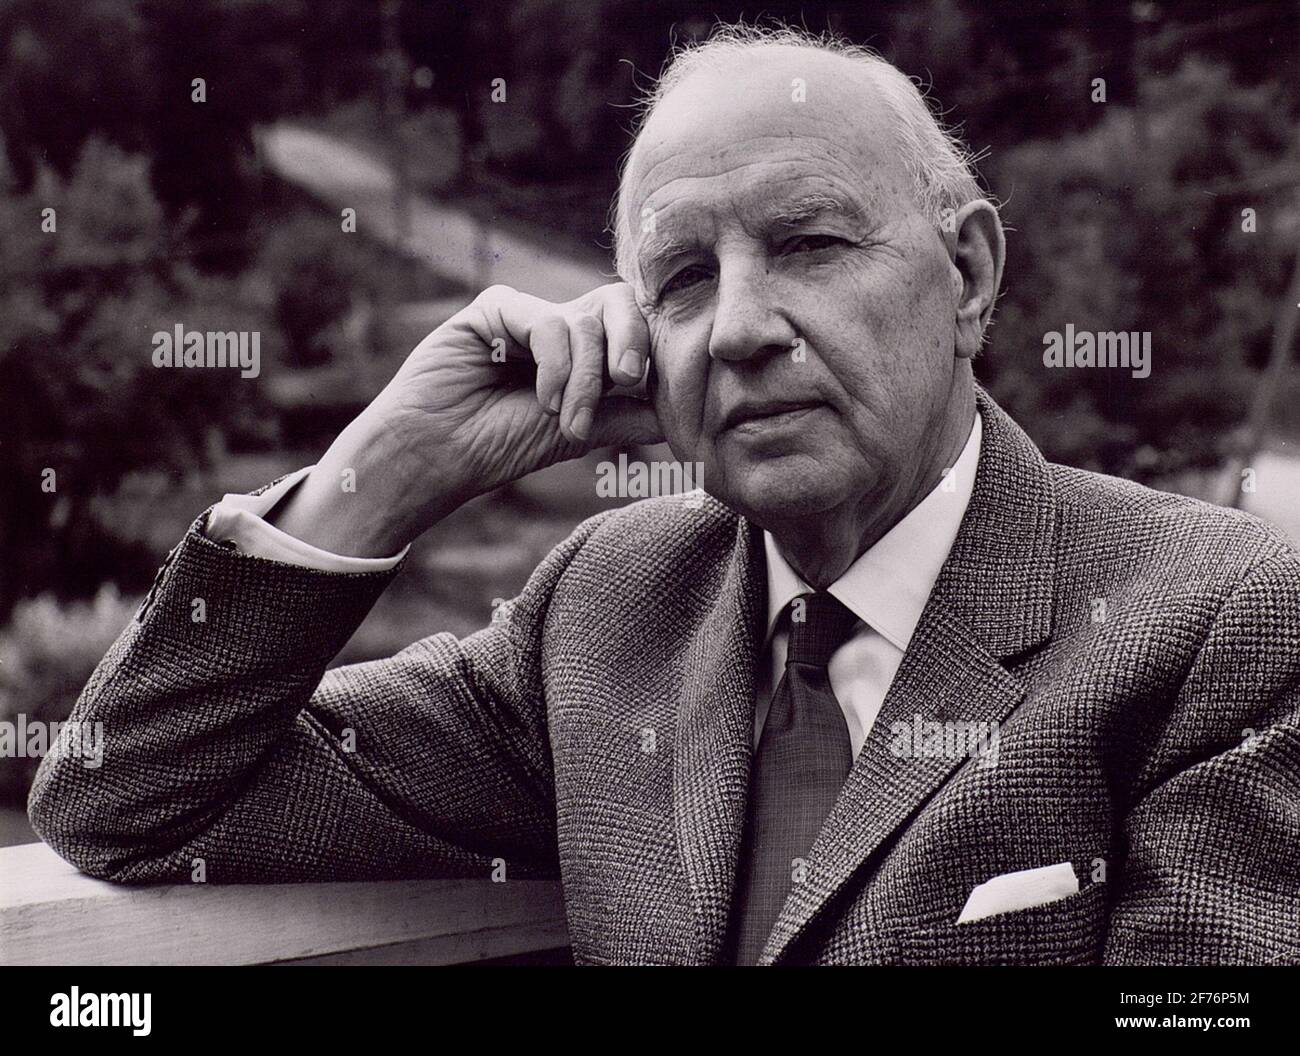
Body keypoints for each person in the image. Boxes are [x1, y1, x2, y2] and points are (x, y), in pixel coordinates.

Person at [29, 25, 1300, 965]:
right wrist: (388, 474)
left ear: (966, 276)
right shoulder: (606, 611)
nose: (740, 328)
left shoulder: (1218, 626)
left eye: (808, 243)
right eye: (682, 279)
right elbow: (127, 799)